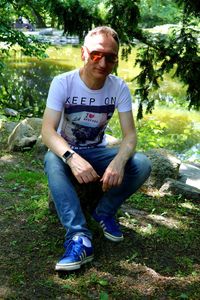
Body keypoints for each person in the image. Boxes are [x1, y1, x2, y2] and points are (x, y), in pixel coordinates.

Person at [42, 26, 151, 272]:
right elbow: (48, 131)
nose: (102, 62)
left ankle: (104, 211)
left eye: (110, 57)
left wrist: (118, 162)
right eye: (95, 54)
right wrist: (71, 157)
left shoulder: (119, 88)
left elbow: (130, 136)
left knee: (142, 163)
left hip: (98, 152)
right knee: (52, 159)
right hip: (68, 152)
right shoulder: (63, 83)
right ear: (83, 53)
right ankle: (79, 237)